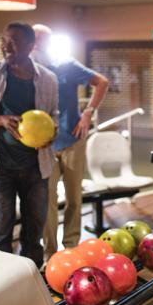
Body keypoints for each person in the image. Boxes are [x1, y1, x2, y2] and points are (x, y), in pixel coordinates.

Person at [0, 22, 58, 268]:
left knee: (33, 233)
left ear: (30, 46)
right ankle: (0, 284)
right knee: (0, 231)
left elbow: (53, 116)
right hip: (0, 167)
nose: (5, 46)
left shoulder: (48, 79)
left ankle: (31, 282)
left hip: (37, 167)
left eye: (13, 41)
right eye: (4, 40)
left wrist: (51, 132)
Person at [31, 24, 109, 260]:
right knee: (48, 201)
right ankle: (51, 254)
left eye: (40, 39)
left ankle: (71, 248)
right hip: (44, 145)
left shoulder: (67, 64)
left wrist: (88, 113)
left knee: (74, 198)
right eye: (33, 40)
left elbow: (102, 82)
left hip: (73, 139)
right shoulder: (28, 70)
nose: (36, 44)